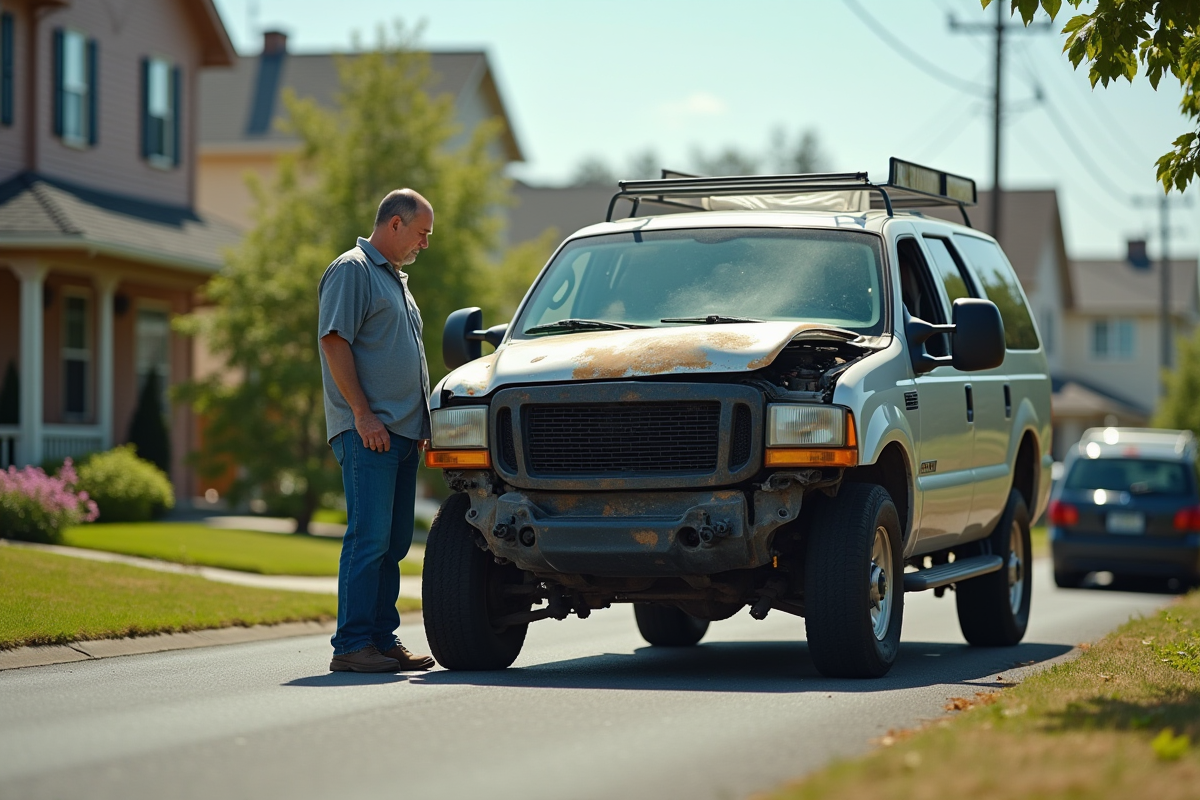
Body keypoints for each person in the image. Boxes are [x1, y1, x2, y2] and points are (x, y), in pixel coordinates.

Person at [317, 189, 438, 673]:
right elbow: (333, 340)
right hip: (369, 433)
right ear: (394, 224)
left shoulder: (395, 280)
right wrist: (363, 414)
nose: (424, 244)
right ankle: (351, 645)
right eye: (421, 233)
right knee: (368, 539)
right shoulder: (353, 269)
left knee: (394, 543)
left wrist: (424, 425)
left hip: (403, 436)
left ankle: (381, 640)